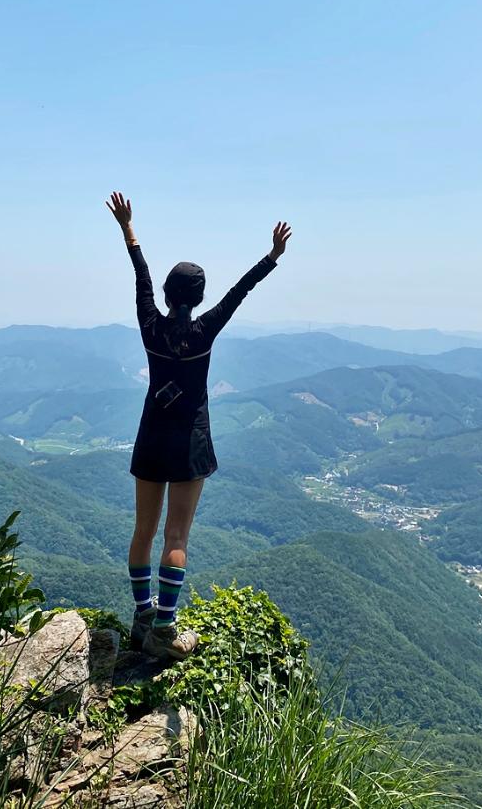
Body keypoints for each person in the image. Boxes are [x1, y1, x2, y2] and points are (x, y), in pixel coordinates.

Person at [105, 190, 292, 661]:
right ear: (200, 297)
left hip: (150, 438)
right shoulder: (205, 330)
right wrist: (272, 256)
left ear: (168, 296)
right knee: (176, 537)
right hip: (190, 443)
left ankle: (142, 616)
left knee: (143, 531)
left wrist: (128, 229)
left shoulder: (151, 324)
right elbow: (239, 292)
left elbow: (140, 278)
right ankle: (165, 631)